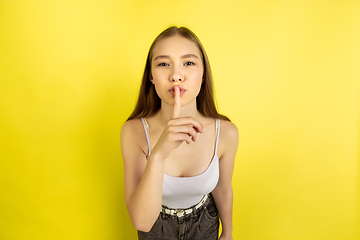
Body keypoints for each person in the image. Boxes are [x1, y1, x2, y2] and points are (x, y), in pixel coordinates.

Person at [121, 26, 238, 240]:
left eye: (188, 63)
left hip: (205, 224)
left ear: (203, 75)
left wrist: (228, 233)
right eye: (164, 64)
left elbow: (223, 188)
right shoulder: (134, 132)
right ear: (151, 77)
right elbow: (141, 222)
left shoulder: (226, 133)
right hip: (156, 227)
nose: (176, 75)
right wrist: (159, 153)